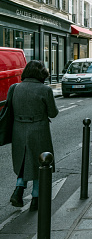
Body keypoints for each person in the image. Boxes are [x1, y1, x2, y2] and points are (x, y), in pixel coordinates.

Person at [9, 60, 58, 211]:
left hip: (18, 130)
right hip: (38, 130)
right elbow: (53, 113)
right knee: (40, 163)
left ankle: (18, 191)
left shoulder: (14, 88)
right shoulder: (45, 90)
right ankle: (36, 198)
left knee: (23, 161)